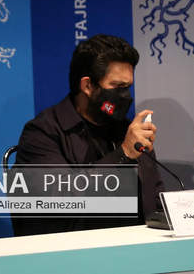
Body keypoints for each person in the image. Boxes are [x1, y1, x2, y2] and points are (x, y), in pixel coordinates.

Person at [13, 34, 163, 235]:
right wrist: (124, 154)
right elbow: (58, 200)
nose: (125, 96)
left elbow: (154, 196)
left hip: (136, 244)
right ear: (87, 86)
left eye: (128, 87)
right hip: (71, 248)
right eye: (117, 87)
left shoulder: (126, 130)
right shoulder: (42, 132)